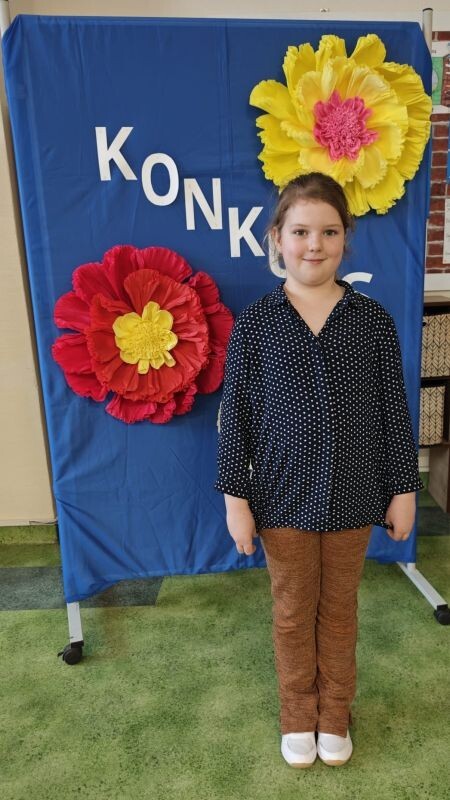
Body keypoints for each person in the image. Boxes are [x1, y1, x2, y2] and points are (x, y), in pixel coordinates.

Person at [214, 172, 424, 768]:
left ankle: (334, 712)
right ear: (277, 238)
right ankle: (297, 715)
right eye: (301, 231)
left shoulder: (372, 320)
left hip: (356, 495)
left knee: (338, 611)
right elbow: (236, 418)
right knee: (292, 611)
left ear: (345, 238)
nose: (314, 244)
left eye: (329, 232)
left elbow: (393, 411)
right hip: (281, 500)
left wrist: (403, 489)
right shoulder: (257, 323)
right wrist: (236, 501)